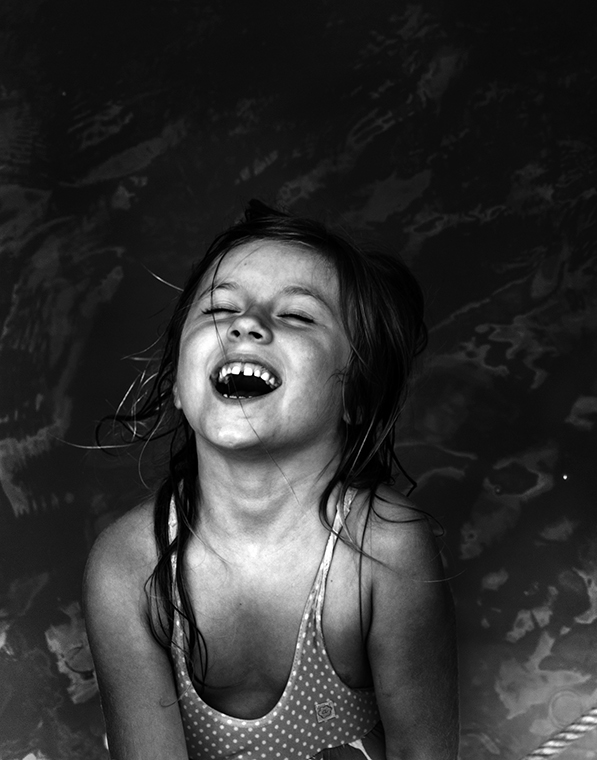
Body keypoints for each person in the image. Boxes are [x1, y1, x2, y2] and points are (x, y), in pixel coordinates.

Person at [82, 202, 457, 760]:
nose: (246, 323)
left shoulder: (384, 550)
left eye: (298, 316)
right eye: (222, 306)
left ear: (355, 394)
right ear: (179, 384)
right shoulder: (129, 566)